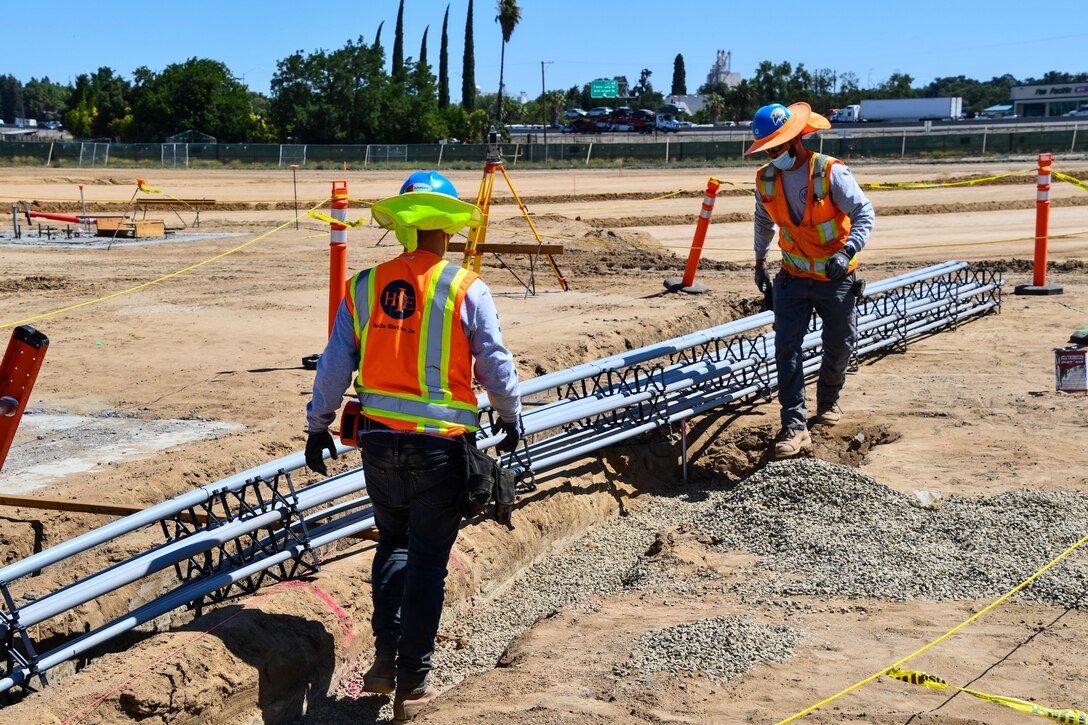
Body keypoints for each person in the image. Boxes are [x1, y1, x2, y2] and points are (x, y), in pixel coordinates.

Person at [304, 170, 523, 722]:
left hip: (377, 444)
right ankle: (412, 683)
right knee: (428, 561)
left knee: (394, 546)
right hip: (439, 449)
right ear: (448, 227)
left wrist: (317, 424)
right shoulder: (466, 287)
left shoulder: (365, 285)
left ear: (403, 225)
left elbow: (334, 364)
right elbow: (495, 364)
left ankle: (383, 657)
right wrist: (510, 415)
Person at [744, 102, 875, 459]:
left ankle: (829, 399)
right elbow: (762, 221)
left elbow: (864, 211)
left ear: (796, 140)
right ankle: (794, 425)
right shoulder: (766, 178)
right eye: (767, 149)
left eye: (776, 147)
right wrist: (760, 263)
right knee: (786, 348)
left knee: (840, 344)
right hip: (792, 277)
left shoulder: (829, 171)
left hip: (836, 278)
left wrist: (847, 251)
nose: (772, 155)